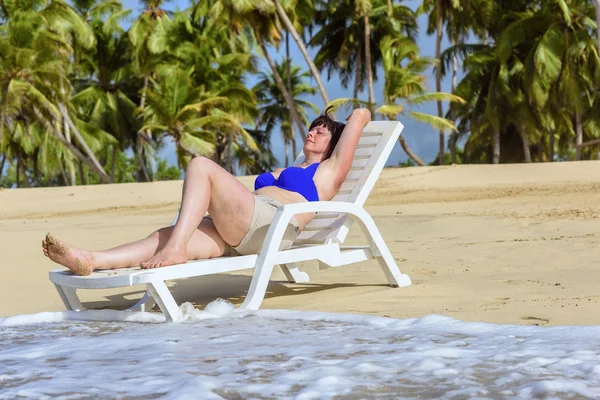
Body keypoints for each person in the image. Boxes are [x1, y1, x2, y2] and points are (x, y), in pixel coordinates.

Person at [42, 107, 371, 275]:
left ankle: (177, 248)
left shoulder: (328, 174)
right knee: (164, 235)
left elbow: (360, 116)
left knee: (201, 165)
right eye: (313, 126)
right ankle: (90, 259)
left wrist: (349, 122)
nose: (313, 131)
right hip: (243, 229)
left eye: (323, 131)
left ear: (336, 145)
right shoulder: (290, 168)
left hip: (271, 227)